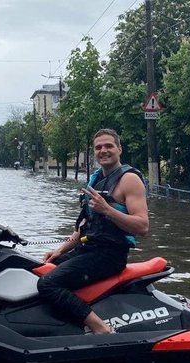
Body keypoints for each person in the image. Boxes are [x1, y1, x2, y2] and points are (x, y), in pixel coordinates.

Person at [37, 128, 149, 334]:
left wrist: (108, 210)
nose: (103, 151)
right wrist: (59, 252)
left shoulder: (129, 180)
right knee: (38, 268)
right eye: (98, 147)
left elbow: (142, 226)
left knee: (46, 284)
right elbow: (85, 227)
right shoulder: (96, 180)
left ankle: (102, 329)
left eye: (109, 146)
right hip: (89, 250)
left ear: (119, 149)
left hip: (109, 255)